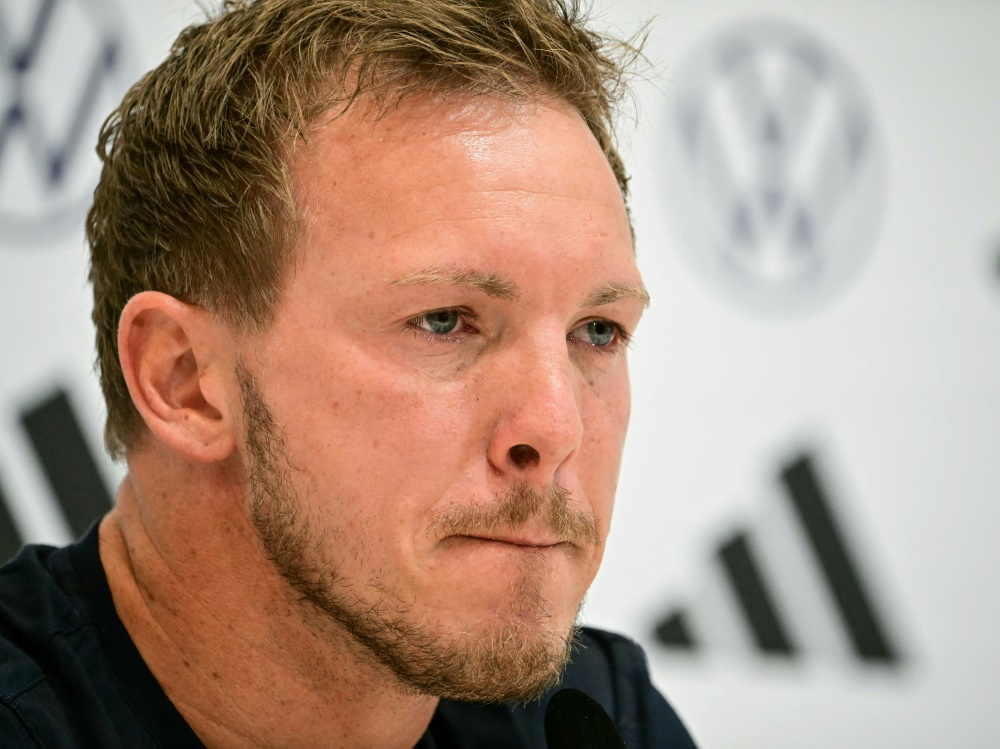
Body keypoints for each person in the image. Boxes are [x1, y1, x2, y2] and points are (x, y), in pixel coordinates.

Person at [0, 0, 697, 746]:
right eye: (443, 320)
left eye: (598, 331)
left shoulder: (598, 717)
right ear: (186, 382)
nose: (558, 427)